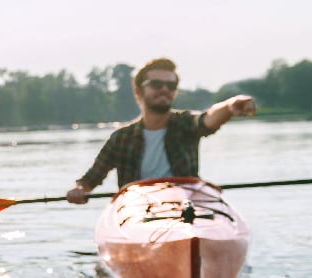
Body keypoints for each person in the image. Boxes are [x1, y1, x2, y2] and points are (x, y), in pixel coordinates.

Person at [66, 57, 258, 204]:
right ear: (138, 91)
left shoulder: (185, 124)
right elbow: (90, 179)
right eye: (156, 85)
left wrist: (230, 106)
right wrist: (79, 189)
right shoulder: (121, 138)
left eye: (171, 86)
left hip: (186, 206)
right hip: (137, 210)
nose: (164, 89)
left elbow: (208, 119)